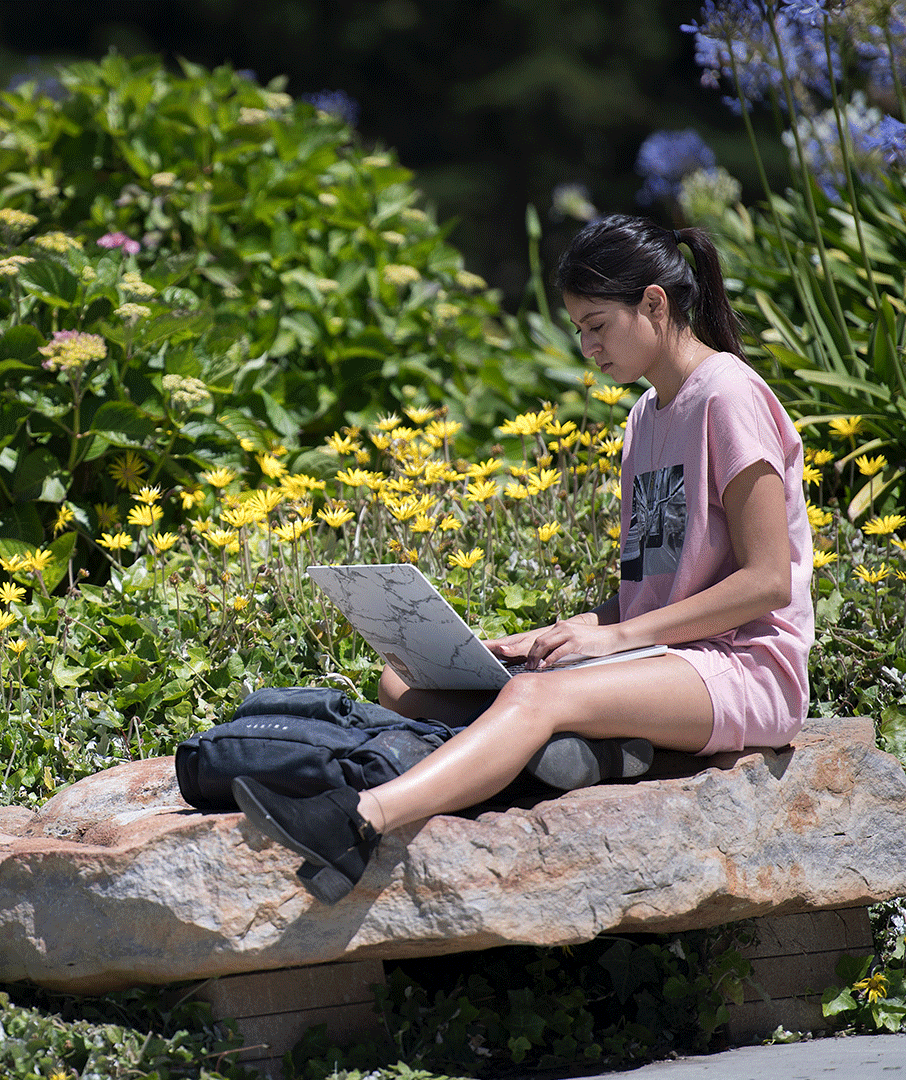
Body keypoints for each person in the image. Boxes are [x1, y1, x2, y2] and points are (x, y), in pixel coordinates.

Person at [232, 214, 815, 904]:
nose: (587, 346)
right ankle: (587, 750)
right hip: (660, 658)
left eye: (597, 324)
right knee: (404, 684)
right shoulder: (644, 419)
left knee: (533, 694)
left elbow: (766, 581)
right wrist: (564, 630)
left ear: (654, 304)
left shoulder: (729, 394)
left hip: (744, 667)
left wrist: (616, 637)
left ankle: (357, 822)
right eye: (579, 329)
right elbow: (652, 586)